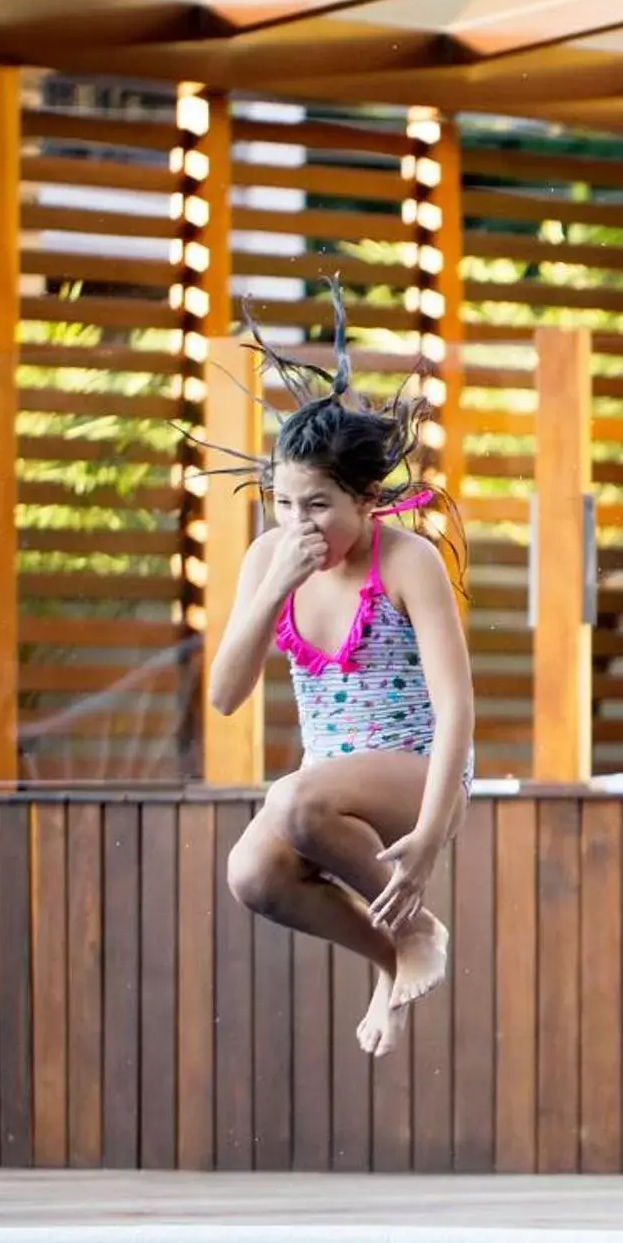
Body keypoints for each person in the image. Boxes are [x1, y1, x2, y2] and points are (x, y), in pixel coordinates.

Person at [206, 289, 475, 1058]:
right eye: (285, 503)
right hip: (326, 782)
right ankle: (396, 955)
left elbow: (457, 707)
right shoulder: (270, 559)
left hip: (422, 772)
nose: (300, 524)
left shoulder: (406, 560)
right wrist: (273, 588)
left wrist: (429, 834)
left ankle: (415, 921)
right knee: (251, 871)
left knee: (290, 798)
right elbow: (226, 696)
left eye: (319, 506)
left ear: (364, 498)